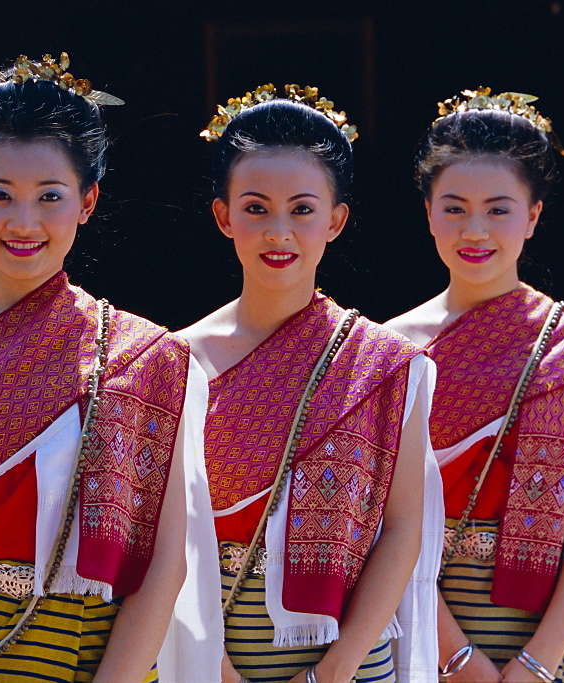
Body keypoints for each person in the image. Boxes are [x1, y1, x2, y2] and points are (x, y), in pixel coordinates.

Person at [0, 52, 218, 682]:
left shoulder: (151, 355)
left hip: (103, 656)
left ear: (87, 201)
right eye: (0, 195)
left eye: (49, 196)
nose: (23, 222)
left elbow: (167, 561)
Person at [179, 84, 442, 683]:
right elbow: (161, 541)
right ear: (223, 216)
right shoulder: (172, 362)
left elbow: (403, 529)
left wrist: (334, 671)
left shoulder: (388, 364)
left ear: (336, 220)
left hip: (350, 661)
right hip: (203, 653)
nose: (279, 230)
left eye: (302, 209)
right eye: (255, 208)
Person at [386, 88, 564, 682]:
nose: (474, 229)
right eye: (453, 207)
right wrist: (457, 659)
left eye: (498, 209)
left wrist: (536, 663)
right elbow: (378, 522)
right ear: (427, 212)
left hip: (547, 639)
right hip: (416, 630)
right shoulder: (385, 356)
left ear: (532, 216)